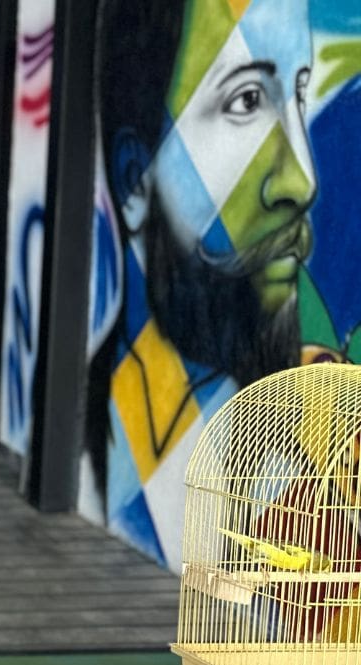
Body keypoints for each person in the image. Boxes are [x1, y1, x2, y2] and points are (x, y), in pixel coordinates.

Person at [87, 0, 323, 560]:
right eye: (246, 99)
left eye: (299, 95)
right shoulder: (92, 443)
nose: (303, 179)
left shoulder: (303, 460)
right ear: (133, 181)